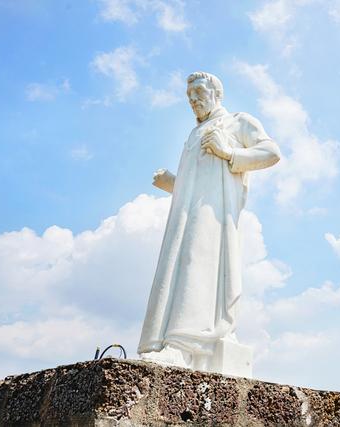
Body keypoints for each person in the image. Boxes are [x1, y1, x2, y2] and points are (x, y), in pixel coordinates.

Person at [137, 72, 280, 373]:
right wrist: (172, 183)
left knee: (198, 266)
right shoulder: (193, 134)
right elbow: (198, 182)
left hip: (214, 215)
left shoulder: (238, 122)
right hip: (186, 215)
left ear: (217, 93)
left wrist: (230, 152)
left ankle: (184, 345)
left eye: (199, 92)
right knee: (175, 269)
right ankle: (163, 343)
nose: (193, 100)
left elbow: (271, 152)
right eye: (189, 96)